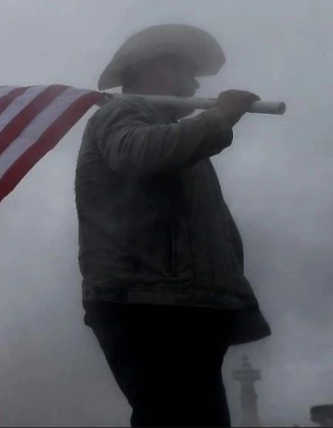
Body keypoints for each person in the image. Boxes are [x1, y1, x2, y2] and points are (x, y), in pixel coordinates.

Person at [75, 24, 272, 427]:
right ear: (152, 71)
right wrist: (219, 117)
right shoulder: (124, 112)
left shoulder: (176, 137)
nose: (194, 83)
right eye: (184, 68)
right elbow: (133, 153)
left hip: (183, 304)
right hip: (151, 305)